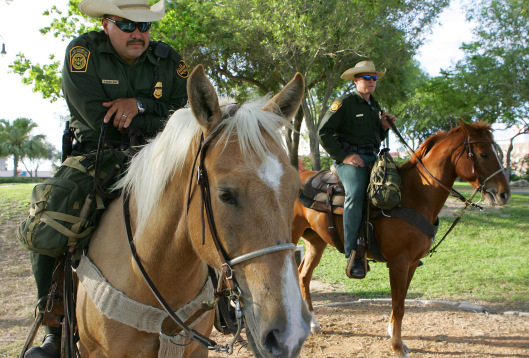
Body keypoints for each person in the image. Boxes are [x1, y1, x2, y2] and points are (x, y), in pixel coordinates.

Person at [24, 0, 188, 356]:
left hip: (159, 153)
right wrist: (149, 111)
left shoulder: (170, 60)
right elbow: (97, 114)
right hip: (98, 155)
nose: (138, 34)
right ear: (106, 24)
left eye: (144, 26)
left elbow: (185, 115)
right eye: (127, 25)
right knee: (52, 214)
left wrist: (138, 106)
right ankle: (54, 323)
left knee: (211, 199)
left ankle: (223, 302)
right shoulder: (83, 53)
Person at [318, 60, 396, 280]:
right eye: (366, 78)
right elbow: (323, 132)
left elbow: (374, 138)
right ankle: (353, 250)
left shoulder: (374, 105)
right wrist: (344, 156)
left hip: (373, 156)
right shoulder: (344, 103)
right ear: (356, 80)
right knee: (356, 192)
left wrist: (383, 128)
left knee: (394, 184)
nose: (371, 82)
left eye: (374, 78)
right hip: (349, 160)